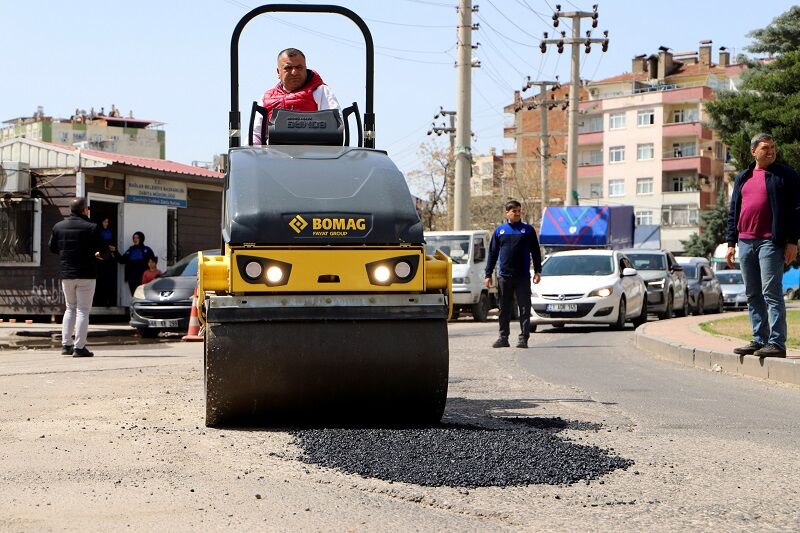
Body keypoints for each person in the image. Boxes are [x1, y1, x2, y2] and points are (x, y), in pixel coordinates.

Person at [727, 133, 800, 358]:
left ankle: (777, 343)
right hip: (745, 241)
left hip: (771, 241)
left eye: (772, 147)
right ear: (754, 152)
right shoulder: (743, 177)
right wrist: (731, 243)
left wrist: (792, 241)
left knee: (771, 292)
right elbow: (733, 211)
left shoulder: (785, 175)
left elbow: (797, 209)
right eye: (765, 147)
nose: (770, 151)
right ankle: (759, 339)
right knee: (752, 293)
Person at [48, 197, 104, 357]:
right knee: (83, 311)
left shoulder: (58, 226)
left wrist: (67, 253)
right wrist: (99, 255)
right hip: (86, 274)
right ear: (84, 210)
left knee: (70, 308)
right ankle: (79, 348)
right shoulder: (92, 227)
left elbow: (52, 248)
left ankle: (66, 345)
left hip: (67, 273)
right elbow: (102, 250)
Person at [484, 200, 543, 349]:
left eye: (518, 211)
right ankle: (503, 337)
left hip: (522, 277)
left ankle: (523, 338)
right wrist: (488, 274)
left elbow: (536, 252)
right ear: (507, 213)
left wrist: (538, 271)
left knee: (524, 308)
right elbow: (492, 253)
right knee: (504, 308)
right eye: (514, 211)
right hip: (504, 277)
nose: (517, 214)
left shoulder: (528, 230)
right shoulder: (499, 231)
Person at [253, 48, 340, 145]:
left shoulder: (320, 91)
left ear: (305, 69)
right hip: (275, 156)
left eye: (299, 67)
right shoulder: (267, 97)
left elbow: (334, 126)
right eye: (288, 68)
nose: (294, 72)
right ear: (278, 72)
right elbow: (255, 134)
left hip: (311, 156)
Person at [116, 231, 155, 295]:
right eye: (134, 238)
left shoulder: (147, 250)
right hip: (132, 276)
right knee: (134, 293)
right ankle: (136, 304)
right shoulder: (130, 250)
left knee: (143, 293)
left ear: (141, 238)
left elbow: (152, 263)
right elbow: (122, 260)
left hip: (143, 276)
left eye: (137, 238)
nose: (135, 239)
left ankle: (143, 305)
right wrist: (115, 252)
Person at [94, 217, 117, 307]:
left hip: (108, 259)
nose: (106, 224)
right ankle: (98, 301)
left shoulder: (110, 232)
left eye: (107, 222)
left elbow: (113, 244)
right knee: (99, 280)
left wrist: (114, 249)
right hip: (99, 259)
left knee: (108, 280)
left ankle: (108, 301)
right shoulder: (97, 232)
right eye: (105, 222)